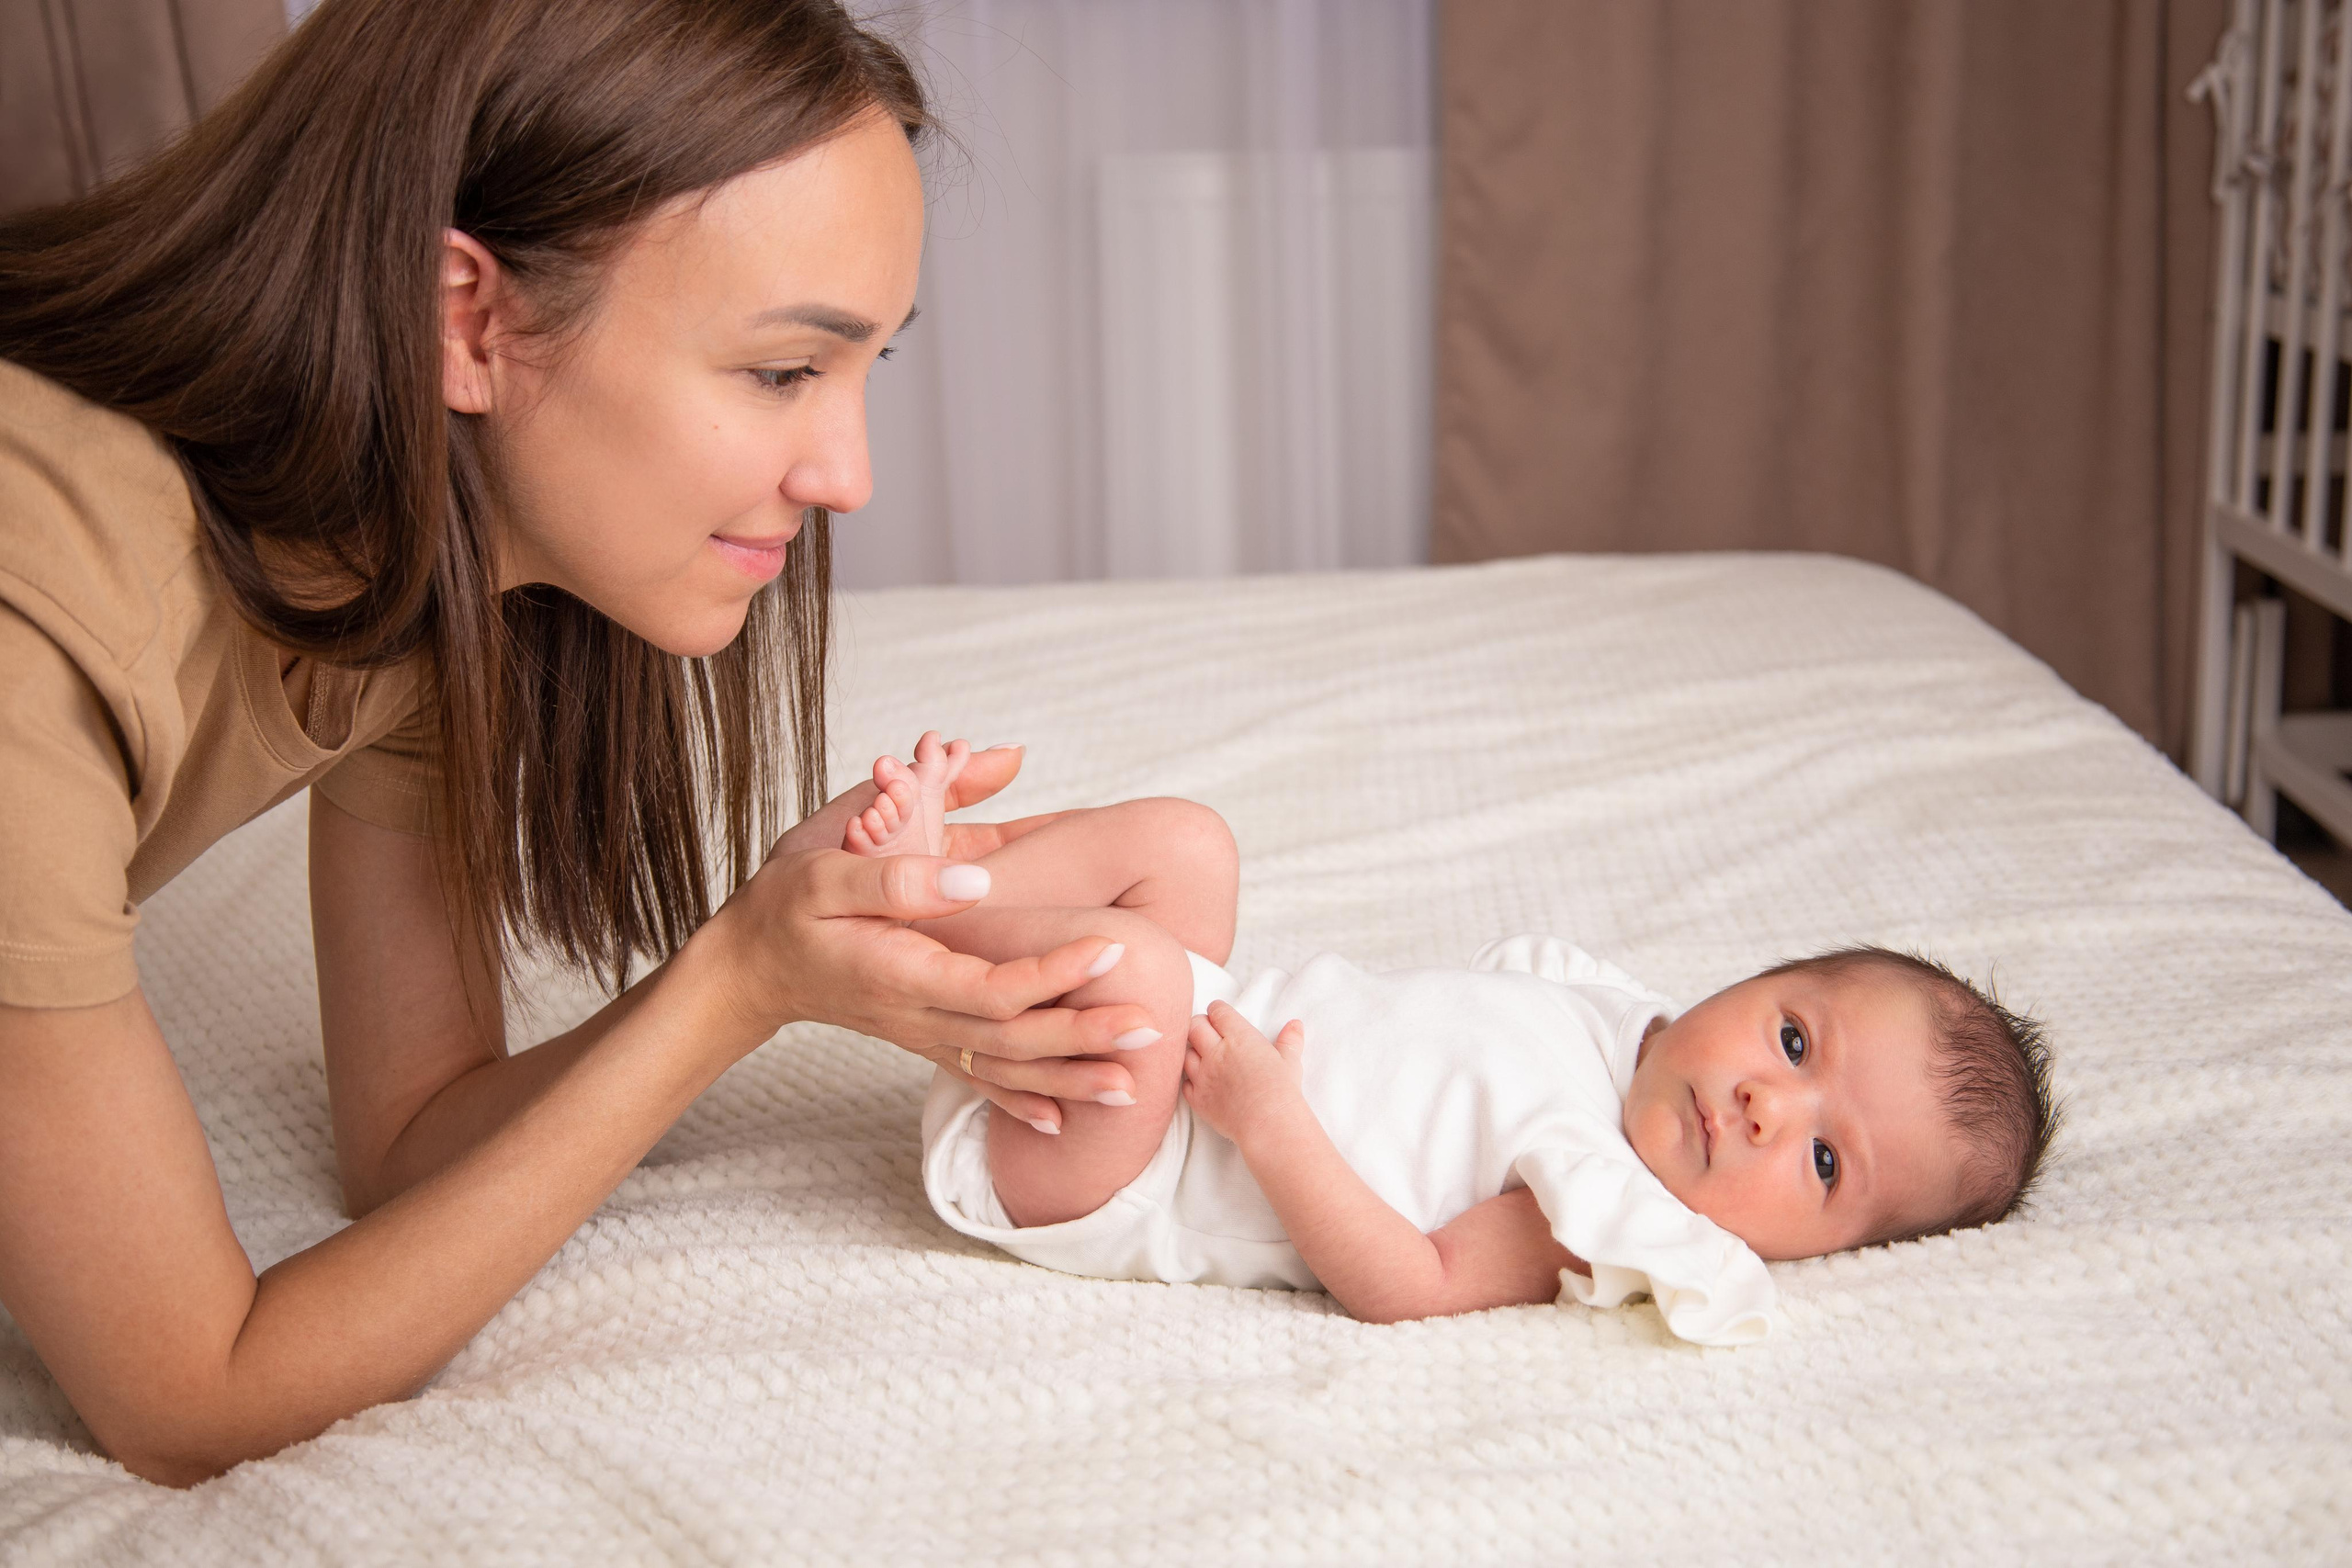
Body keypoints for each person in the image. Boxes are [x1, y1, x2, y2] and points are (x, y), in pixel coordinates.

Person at [0, 0, 1153, 1486]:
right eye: (782, 371)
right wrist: (737, 989)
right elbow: (194, 1407)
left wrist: (769, 950)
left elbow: (414, 1138)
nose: (849, 474)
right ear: (468, 319)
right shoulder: (33, 645)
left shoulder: (413, 566)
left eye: (870, 370)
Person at [843, 735, 2063, 1345]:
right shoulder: (1604, 1018)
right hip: (1189, 1036)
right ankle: (945, 884)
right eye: (1795, 1042)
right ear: (1746, 983)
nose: (1766, 1108)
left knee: (1145, 972)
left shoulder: (1592, 1200)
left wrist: (1272, 1122)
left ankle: (904, 916)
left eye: (1826, 1163)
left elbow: (1407, 1286)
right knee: (1189, 844)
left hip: (1113, 1172)